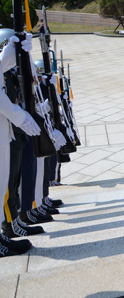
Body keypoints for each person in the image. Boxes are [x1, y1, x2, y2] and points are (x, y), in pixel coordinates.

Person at [0, 32, 42, 257]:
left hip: (3, 133)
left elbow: (0, 66)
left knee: (2, 187)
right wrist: (20, 116)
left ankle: (2, 237)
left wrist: (15, 50)